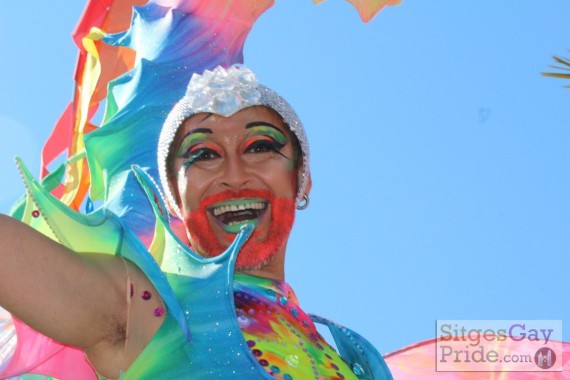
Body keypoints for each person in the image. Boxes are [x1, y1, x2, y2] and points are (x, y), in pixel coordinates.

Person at [0, 65, 393, 379]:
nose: (235, 175)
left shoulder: (351, 362)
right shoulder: (151, 314)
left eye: (260, 147)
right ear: (175, 193)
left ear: (302, 179)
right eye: (203, 154)